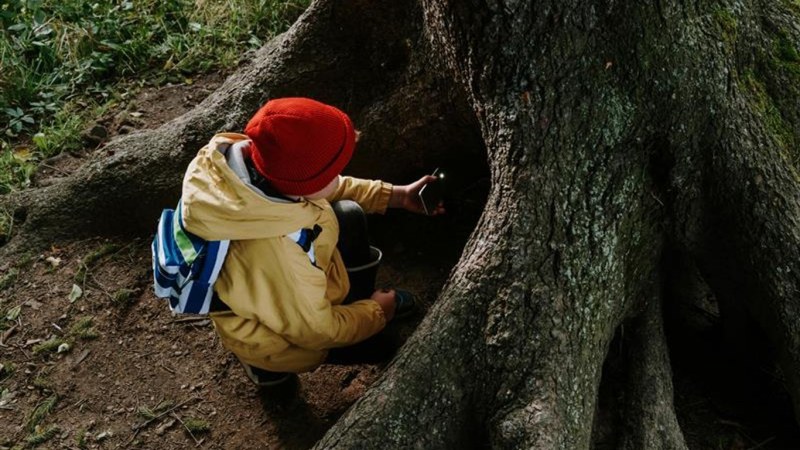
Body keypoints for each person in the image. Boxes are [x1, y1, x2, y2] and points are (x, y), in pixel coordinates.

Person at [180, 97, 443, 387]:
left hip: (286, 293)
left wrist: (396, 195)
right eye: (333, 170)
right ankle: (265, 367)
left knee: (349, 214)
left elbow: (330, 186)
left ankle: (352, 307)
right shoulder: (276, 254)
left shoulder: (252, 168)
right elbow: (317, 331)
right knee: (384, 347)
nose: (340, 174)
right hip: (279, 333)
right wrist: (378, 311)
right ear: (305, 186)